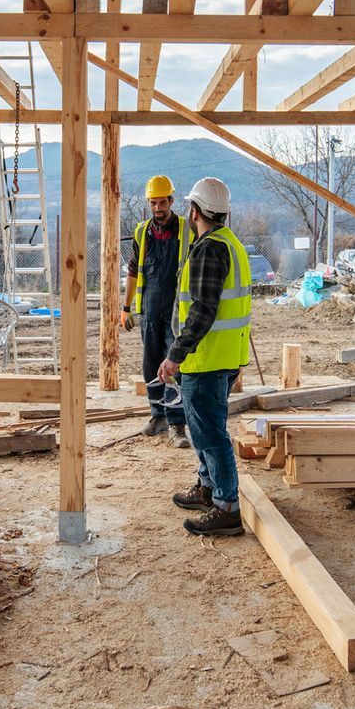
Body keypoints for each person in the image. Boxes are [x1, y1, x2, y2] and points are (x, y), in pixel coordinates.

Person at [157, 176, 252, 537]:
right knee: (202, 430)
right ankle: (207, 487)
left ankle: (226, 505)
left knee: (210, 434)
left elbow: (202, 310)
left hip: (207, 360)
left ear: (194, 210)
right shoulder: (231, 243)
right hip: (219, 357)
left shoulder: (210, 249)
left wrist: (175, 355)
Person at [122, 174, 187, 445]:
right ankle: (157, 415)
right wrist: (125, 308)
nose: (158, 208)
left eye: (162, 202)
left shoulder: (187, 229)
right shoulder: (141, 232)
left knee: (173, 366)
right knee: (150, 364)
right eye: (153, 203)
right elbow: (134, 272)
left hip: (175, 309)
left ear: (171, 200)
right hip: (148, 308)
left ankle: (176, 424)